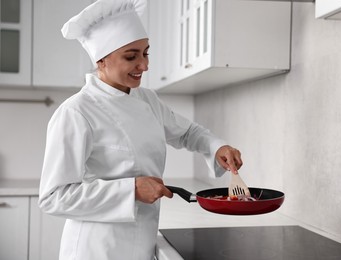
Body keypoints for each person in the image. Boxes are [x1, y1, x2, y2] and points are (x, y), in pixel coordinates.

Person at [38, 0, 243, 259]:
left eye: (146, 53)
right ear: (101, 60)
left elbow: (187, 133)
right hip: (97, 248)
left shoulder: (146, 99)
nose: (144, 66)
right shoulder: (76, 112)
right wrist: (131, 190)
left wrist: (217, 147)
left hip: (142, 240)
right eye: (131, 56)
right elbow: (54, 197)